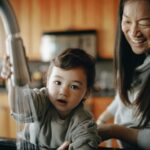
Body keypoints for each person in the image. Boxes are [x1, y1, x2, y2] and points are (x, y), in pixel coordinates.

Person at [1, 48, 101, 150]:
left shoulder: (84, 123)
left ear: (86, 93)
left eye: (74, 86)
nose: (63, 92)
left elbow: (86, 145)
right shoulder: (42, 99)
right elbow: (20, 105)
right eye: (57, 82)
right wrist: (13, 79)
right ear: (47, 81)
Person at [97, 0, 150, 150]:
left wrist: (114, 130)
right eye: (127, 21)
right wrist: (102, 119)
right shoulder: (140, 60)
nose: (133, 32)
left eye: (144, 23)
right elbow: (125, 98)